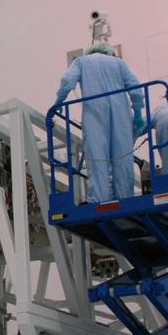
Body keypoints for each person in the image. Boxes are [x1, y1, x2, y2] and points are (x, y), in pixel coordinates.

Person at [54, 25, 144, 203]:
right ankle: (125, 200)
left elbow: (66, 81)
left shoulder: (81, 62)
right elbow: (135, 88)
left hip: (95, 114)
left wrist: (59, 103)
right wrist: (139, 113)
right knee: (123, 157)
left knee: (98, 157)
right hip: (121, 116)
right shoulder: (119, 63)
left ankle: (100, 200)